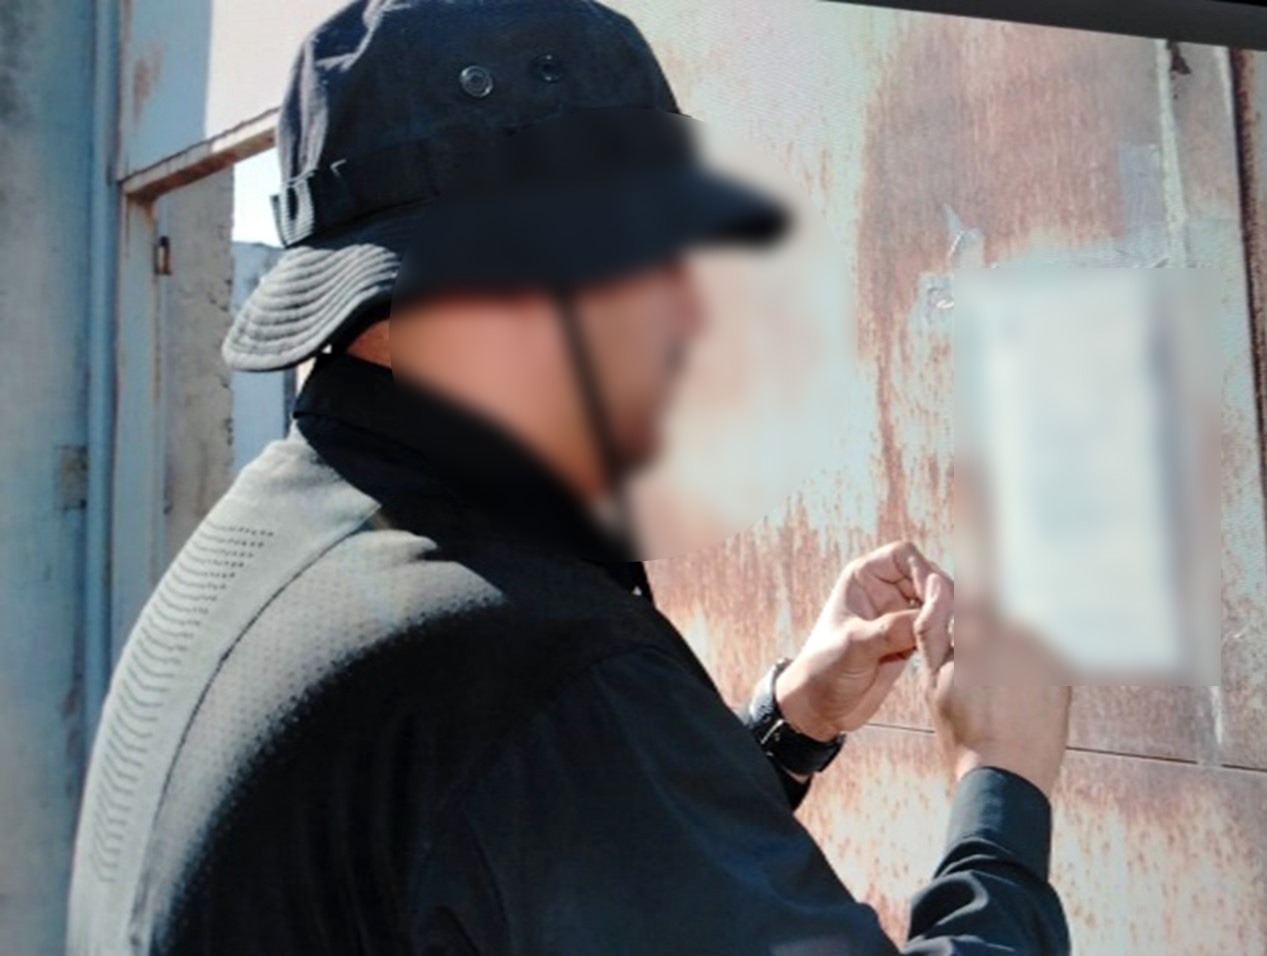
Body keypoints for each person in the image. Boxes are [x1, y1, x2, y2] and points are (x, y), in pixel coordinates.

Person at [66, 1, 1072, 953]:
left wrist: (790, 719)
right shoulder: (523, 661)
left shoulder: (275, 538)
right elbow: (527, 751)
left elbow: (508, 860)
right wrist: (999, 779)